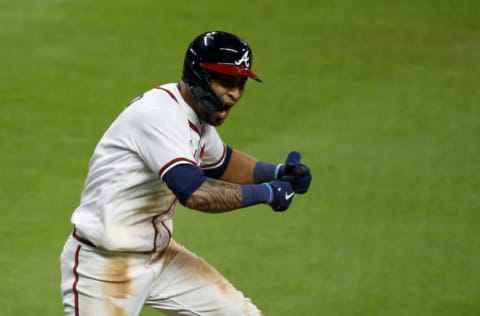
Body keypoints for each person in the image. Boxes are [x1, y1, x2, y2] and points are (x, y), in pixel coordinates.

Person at [60, 30, 312, 316]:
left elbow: (222, 163)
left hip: (161, 258)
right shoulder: (160, 116)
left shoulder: (195, 114)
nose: (235, 94)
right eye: (225, 82)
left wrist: (278, 172)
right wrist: (267, 193)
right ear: (199, 76)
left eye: (240, 84)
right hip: (104, 265)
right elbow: (195, 193)